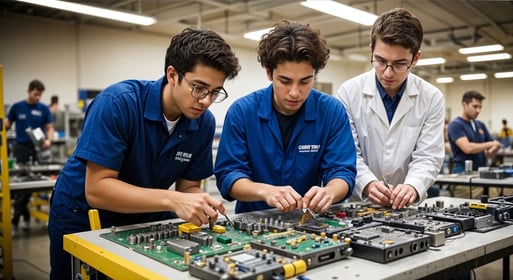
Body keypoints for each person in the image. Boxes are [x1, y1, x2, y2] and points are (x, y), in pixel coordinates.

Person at [48, 27, 240, 280]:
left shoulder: (203, 124)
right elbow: (97, 190)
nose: (205, 100)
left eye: (215, 92)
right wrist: (172, 200)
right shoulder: (119, 103)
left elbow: (189, 186)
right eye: (199, 88)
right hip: (82, 214)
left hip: (145, 215)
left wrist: (199, 200)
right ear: (172, 75)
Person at [214, 20, 356, 214]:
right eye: (285, 81)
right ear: (269, 73)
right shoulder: (242, 112)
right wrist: (265, 191)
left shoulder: (331, 112)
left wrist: (330, 192)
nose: (295, 93)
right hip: (254, 223)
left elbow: (342, 171)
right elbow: (228, 175)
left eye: (305, 81)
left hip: (309, 222)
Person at [336, 8, 445, 210]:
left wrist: (413, 186)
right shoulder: (349, 93)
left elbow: (428, 156)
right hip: (359, 205)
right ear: (371, 50)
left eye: (399, 64)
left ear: (416, 58)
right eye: (380, 61)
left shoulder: (431, 98)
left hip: (406, 207)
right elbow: (348, 154)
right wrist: (367, 183)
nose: (388, 72)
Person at [5, 79, 54, 237]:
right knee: (22, 187)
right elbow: (6, 124)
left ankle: (21, 220)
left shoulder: (43, 109)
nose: (38, 97)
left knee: (35, 183)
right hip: (21, 149)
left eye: (40, 95)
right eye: (35, 94)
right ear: (29, 91)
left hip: (37, 149)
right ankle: (17, 221)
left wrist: (49, 140)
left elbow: (49, 127)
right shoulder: (17, 107)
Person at [448, 90, 501, 174]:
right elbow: (468, 148)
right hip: (462, 172)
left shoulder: (480, 125)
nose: (478, 110)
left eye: (480, 107)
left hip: (481, 169)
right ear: (464, 105)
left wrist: (493, 149)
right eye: (475, 106)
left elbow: (492, 147)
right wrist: (491, 144)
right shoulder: (455, 125)